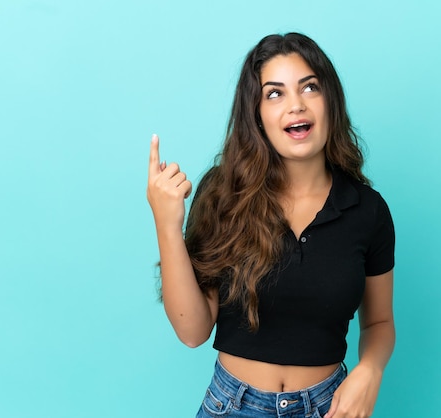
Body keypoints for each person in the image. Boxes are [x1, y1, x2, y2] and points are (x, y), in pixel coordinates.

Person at [147, 33, 395, 418]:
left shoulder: (368, 211)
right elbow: (193, 332)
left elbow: (379, 321)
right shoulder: (223, 194)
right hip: (233, 405)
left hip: (330, 407)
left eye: (309, 87)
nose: (295, 105)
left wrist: (371, 370)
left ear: (330, 99)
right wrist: (166, 225)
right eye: (274, 93)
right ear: (257, 114)